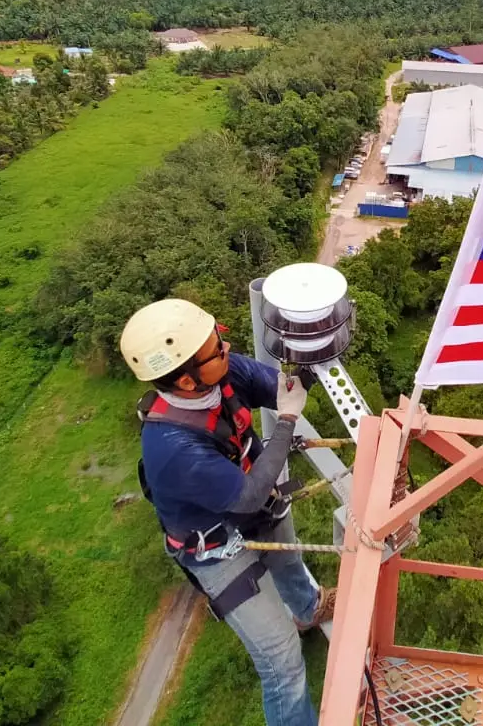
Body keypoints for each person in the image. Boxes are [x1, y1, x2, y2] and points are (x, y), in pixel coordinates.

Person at [121, 298, 335, 726]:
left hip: (256, 503)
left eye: (218, 338)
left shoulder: (220, 375)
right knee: (282, 661)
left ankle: (308, 609)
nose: (227, 347)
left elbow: (278, 389)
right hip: (215, 548)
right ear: (186, 380)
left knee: (288, 558)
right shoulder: (173, 448)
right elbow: (248, 496)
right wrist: (287, 422)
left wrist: (313, 354)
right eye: (217, 348)